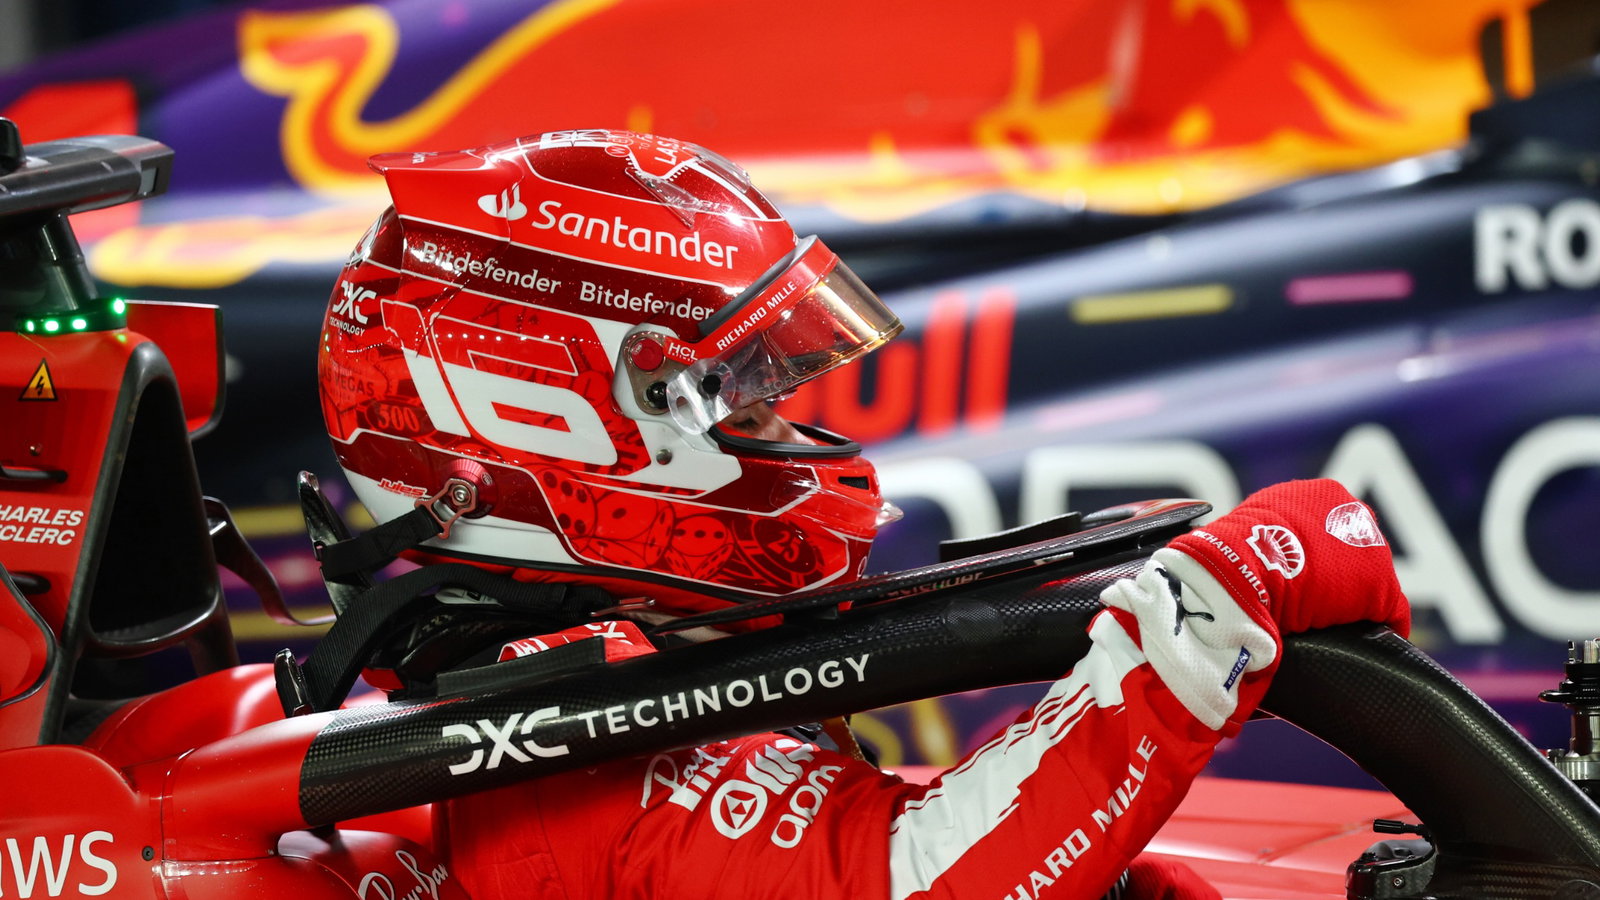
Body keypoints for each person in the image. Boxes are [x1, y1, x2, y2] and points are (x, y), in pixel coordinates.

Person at [316, 129, 1411, 900]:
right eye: (739, 397)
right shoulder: (560, 754)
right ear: (545, 417)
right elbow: (918, 878)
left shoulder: (596, 678)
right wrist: (1221, 601)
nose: (791, 436)